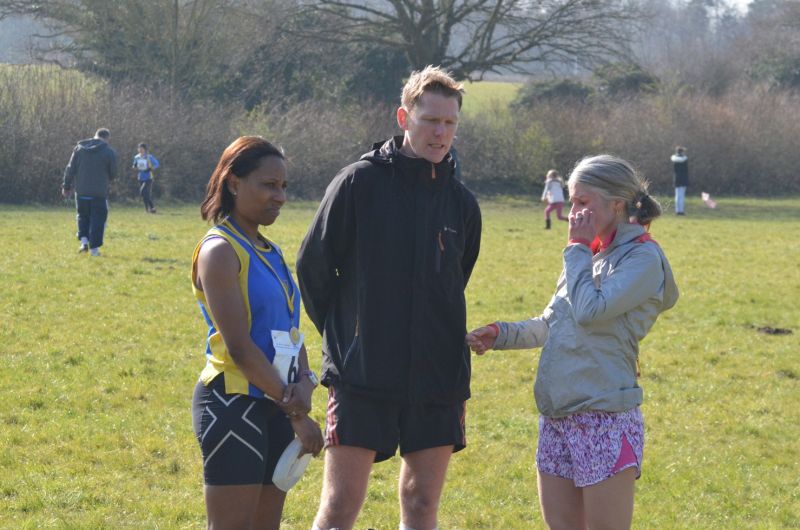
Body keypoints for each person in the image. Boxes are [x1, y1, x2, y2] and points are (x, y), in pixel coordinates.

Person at [297, 66, 482, 530]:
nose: (440, 133)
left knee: (422, 504)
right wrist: (348, 335)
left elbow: (455, 281)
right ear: (404, 117)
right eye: (430, 120)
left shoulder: (462, 203)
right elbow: (313, 267)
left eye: (450, 123)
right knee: (340, 506)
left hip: (438, 376)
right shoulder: (358, 183)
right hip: (362, 375)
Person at [467, 155, 678, 530]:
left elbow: (589, 311)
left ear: (617, 204)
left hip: (605, 417)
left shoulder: (643, 258)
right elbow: (552, 323)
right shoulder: (587, 255)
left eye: (583, 202)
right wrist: (501, 334)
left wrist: (577, 248)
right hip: (558, 416)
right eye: (572, 201)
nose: (573, 212)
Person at [190, 136, 324, 530]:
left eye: (283, 186)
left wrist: (305, 380)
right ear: (234, 183)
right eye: (268, 185)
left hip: (277, 403)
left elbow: (290, 333)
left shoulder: (270, 250)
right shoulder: (220, 251)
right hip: (234, 402)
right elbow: (240, 348)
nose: (280, 196)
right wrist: (295, 410)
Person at [62, 128, 118, 256]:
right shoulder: (109, 152)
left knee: (82, 216)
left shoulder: (79, 149)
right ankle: (94, 250)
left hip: (81, 192)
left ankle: (84, 243)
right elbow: (113, 173)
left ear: (95, 136)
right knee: (98, 220)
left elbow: (70, 169)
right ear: (107, 138)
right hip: (99, 193)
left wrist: (66, 186)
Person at [132, 142, 160, 213]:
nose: (140, 150)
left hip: (148, 177)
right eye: (139, 148)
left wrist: (151, 168)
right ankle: (149, 209)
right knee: (145, 194)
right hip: (140, 177)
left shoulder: (149, 157)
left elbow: (157, 164)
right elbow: (134, 166)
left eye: (142, 148)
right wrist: (134, 166)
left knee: (143, 191)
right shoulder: (136, 157)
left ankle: (151, 208)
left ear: (145, 149)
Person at [671, 146, 689, 215]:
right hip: (683, 179)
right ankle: (681, 211)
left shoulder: (674, 159)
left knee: (677, 196)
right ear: (681, 152)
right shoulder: (685, 159)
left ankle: (677, 211)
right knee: (681, 196)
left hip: (676, 179)